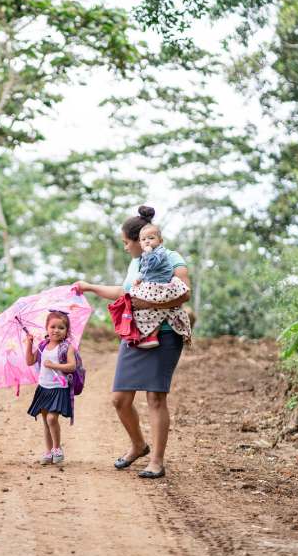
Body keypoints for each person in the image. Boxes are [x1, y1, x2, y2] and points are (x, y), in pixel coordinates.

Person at [74, 205, 190, 479]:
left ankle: (157, 462)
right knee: (120, 399)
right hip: (135, 333)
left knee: (155, 397)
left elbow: (184, 294)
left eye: (126, 242)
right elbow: (123, 292)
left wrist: (146, 302)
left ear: (140, 240)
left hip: (164, 332)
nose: (125, 247)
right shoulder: (135, 262)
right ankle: (139, 445)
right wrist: (89, 287)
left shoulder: (171, 257)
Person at [126, 223, 193, 349]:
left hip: (160, 284)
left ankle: (151, 335)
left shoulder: (160, 252)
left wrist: (149, 252)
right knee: (139, 302)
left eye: (151, 238)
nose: (147, 242)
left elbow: (154, 264)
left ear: (160, 241)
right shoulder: (141, 258)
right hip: (152, 283)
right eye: (144, 240)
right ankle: (146, 334)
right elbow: (145, 270)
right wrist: (139, 278)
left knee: (152, 308)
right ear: (140, 243)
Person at [24, 311, 77, 466]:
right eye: (52, 326)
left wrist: (53, 365)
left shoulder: (67, 347)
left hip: (59, 388)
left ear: (67, 331)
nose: (56, 330)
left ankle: (57, 448)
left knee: (52, 418)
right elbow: (30, 361)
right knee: (46, 422)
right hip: (44, 387)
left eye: (61, 327)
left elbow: (72, 366)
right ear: (47, 328)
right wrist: (29, 343)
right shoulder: (42, 345)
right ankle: (48, 451)